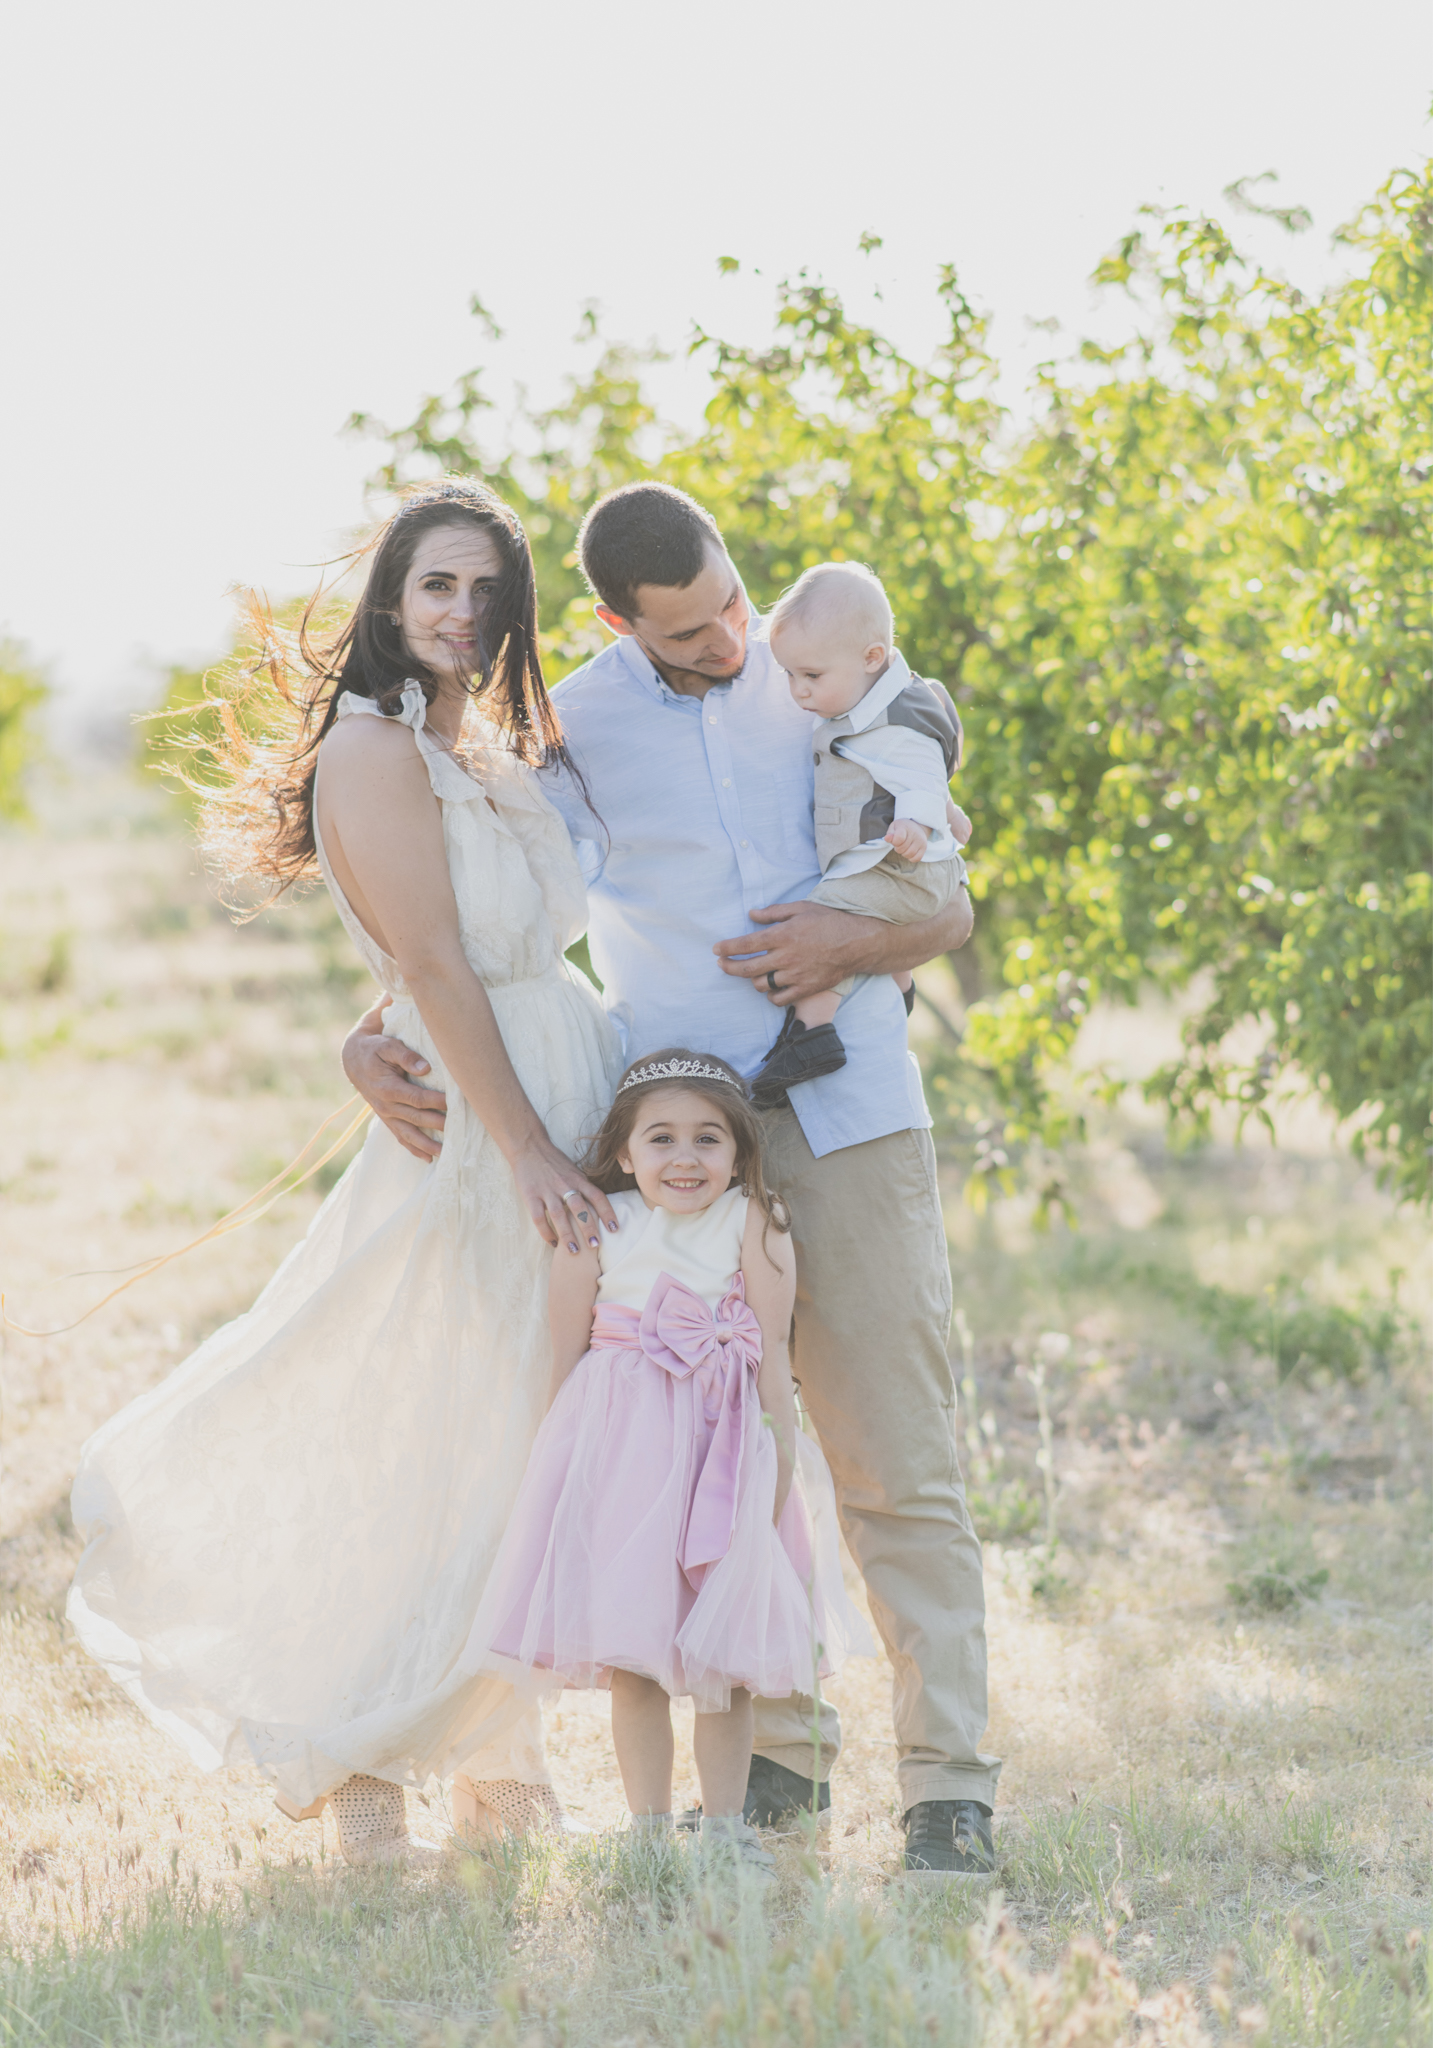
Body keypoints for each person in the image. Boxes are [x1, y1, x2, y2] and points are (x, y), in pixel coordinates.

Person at [346, 480, 1002, 1877]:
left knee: (899, 1456)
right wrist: (368, 1028)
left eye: (732, 606)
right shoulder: (571, 726)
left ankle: (950, 1786)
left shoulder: (826, 670)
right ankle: (778, 1771)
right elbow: (486, 912)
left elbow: (946, 897)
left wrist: (847, 944)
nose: (730, 640)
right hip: (687, 1151)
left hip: (858, 1117)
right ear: (612, 624)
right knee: (726, 1458)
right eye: (693, 631)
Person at [67, 477, 623, 1865]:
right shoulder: (372, 753)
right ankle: (359, 1749)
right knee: (433, 1428)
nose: (463, 614)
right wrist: (527, 1152)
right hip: (493, 1126)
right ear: (390, 599)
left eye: (488, 595)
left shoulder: (487, 748)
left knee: (523, 1434)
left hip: (568, 1075)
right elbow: (430, 962)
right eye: (438, 585)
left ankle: (497, 1751)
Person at [461, 1051, 869, 1877]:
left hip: (724, 1454)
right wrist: (558, 1478)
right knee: (634, 1657)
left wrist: (776, 1477)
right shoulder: (598, 1224)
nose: (684, 1159)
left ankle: (723, 1831)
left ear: (737, 1153)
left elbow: (771, 1360)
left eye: (707, 1139)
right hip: (622, 1460)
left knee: (729, 1666)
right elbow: (562, 1355)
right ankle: (647, 1832)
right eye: (661, 1139)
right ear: (624, 1153)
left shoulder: (757, 1220)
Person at [750, 561, 966, 1105]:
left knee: (827, 918)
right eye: (790, 676)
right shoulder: (868, 700)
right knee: (855, 907)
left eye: (812, 677)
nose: (798, 692)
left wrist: (918, 822)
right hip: (903, 865)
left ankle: (813, 1035)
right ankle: (901, 983)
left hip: (904, 865)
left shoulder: (895, 719)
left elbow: (921, 772)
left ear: (872, 658)